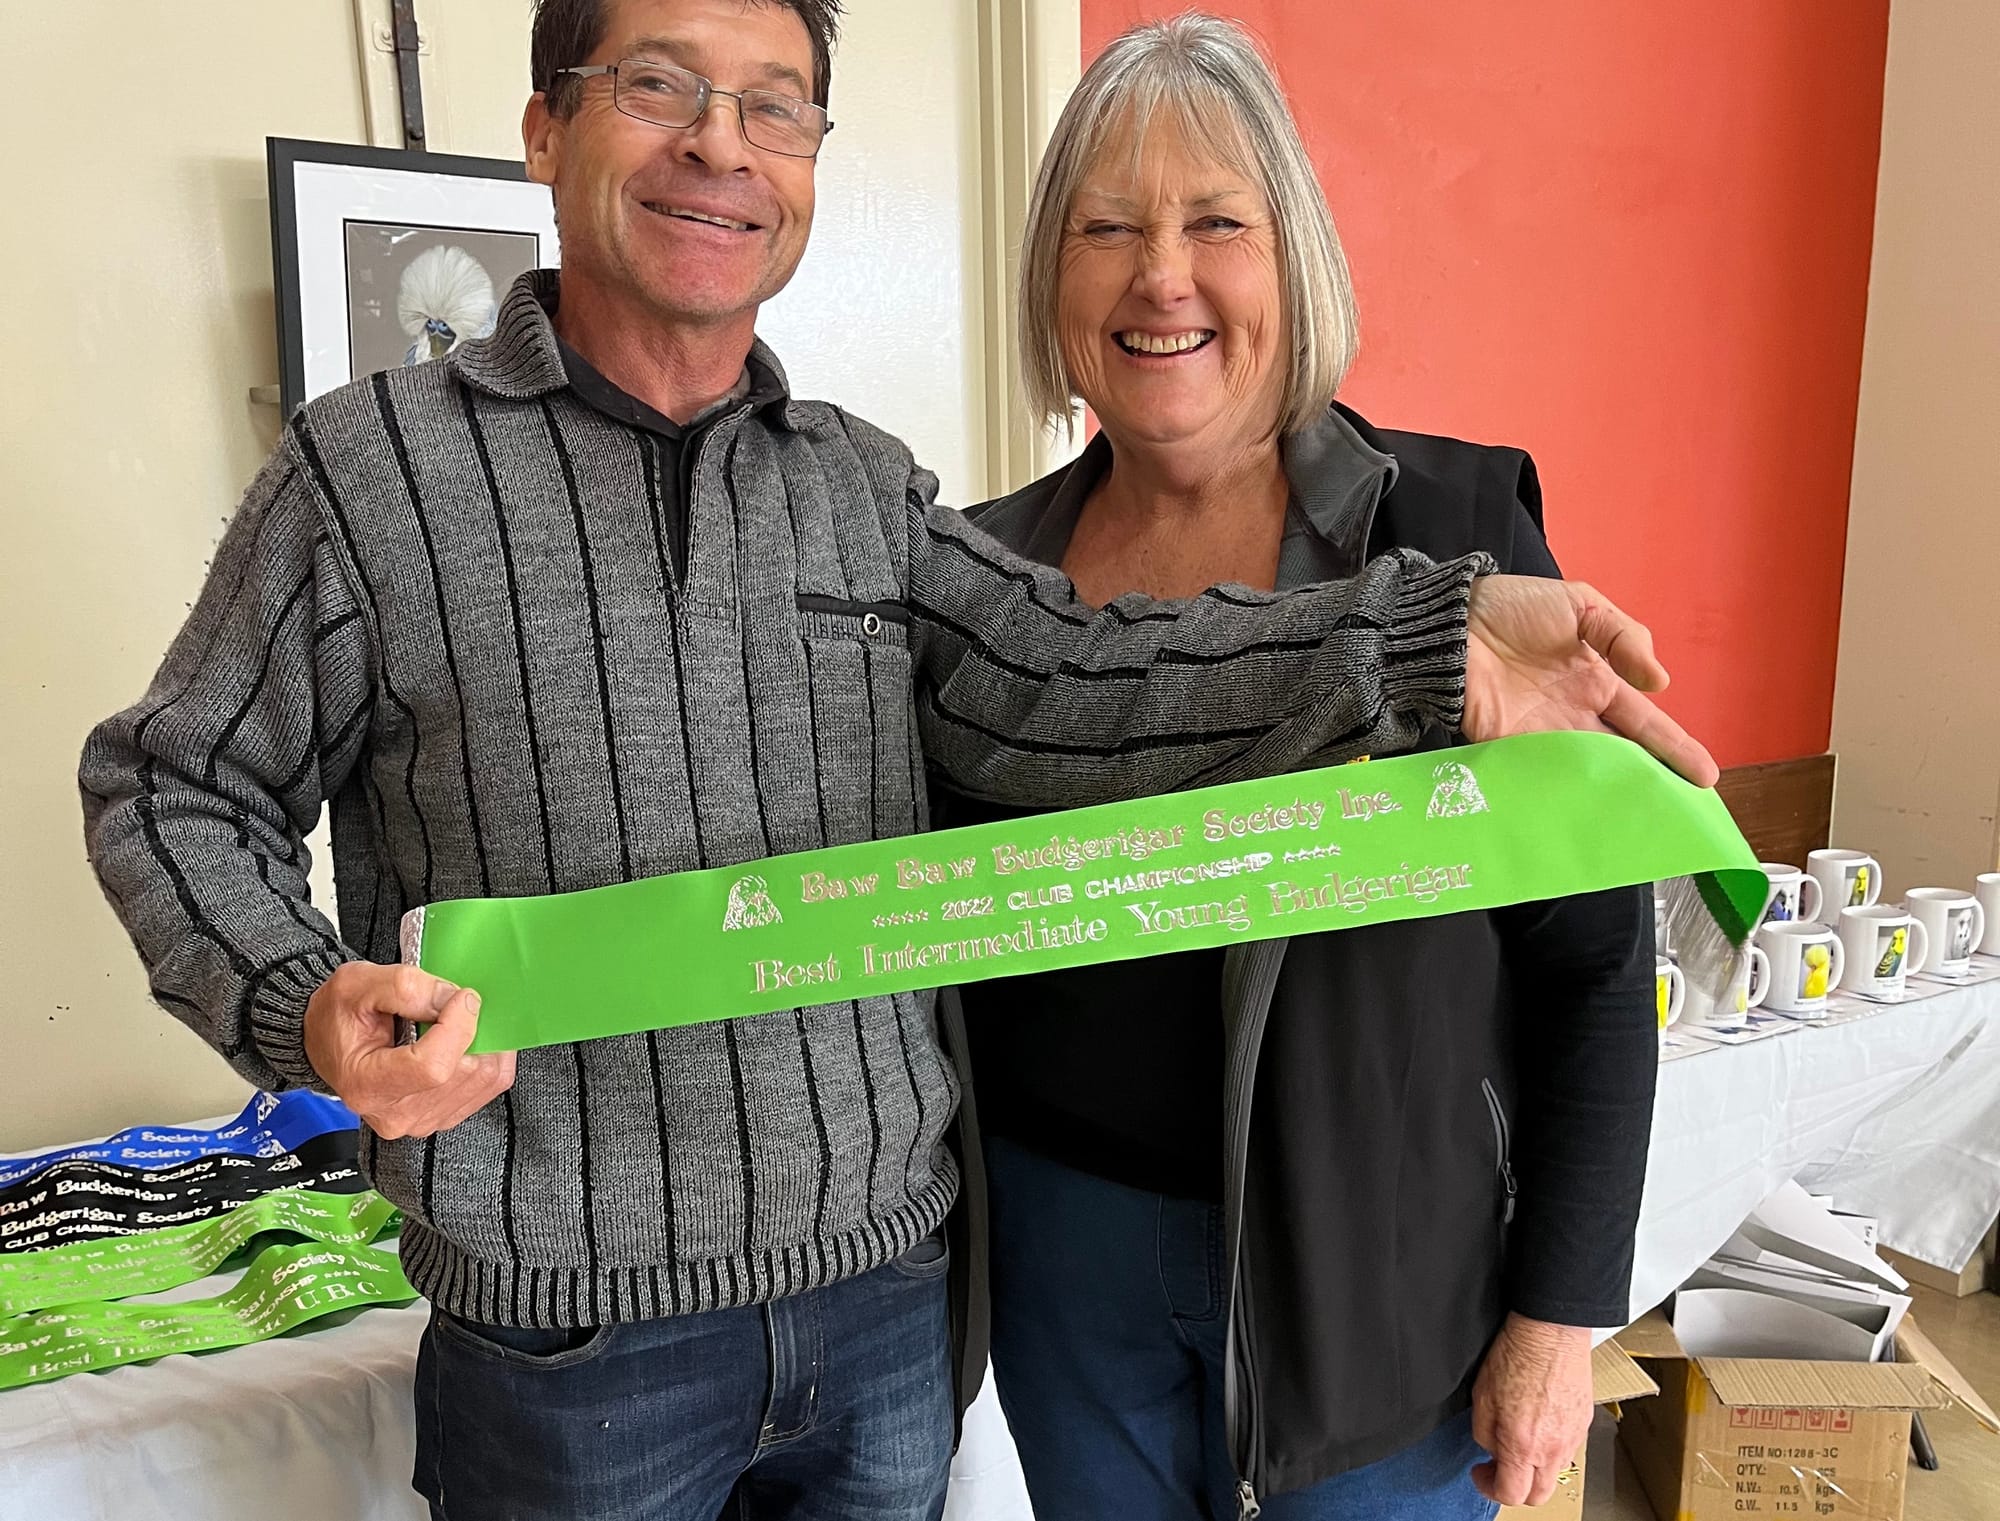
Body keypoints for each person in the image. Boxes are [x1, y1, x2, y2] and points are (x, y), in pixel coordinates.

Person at [79, 2, 1708, 1518]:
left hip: (883, 1328)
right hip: (574, 1354)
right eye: (659, 84)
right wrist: (296, 995)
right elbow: (170, 786)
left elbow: (1083, 675)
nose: (720, 144)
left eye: (774, 107)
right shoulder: (372, 475)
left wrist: (1417, 643)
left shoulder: (866, 493)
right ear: (543, 128)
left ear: (806, 165)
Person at [944, 16, 1658, 1519]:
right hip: (1071, 1284)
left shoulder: (1455, 541)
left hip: (1384, 1285)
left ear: (1296, 259)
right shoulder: (984, 573)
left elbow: (1594, 962)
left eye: (1218, 223)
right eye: (1109, 228)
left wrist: (1556, 1319)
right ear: (1053, 278)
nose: (1163, 275)